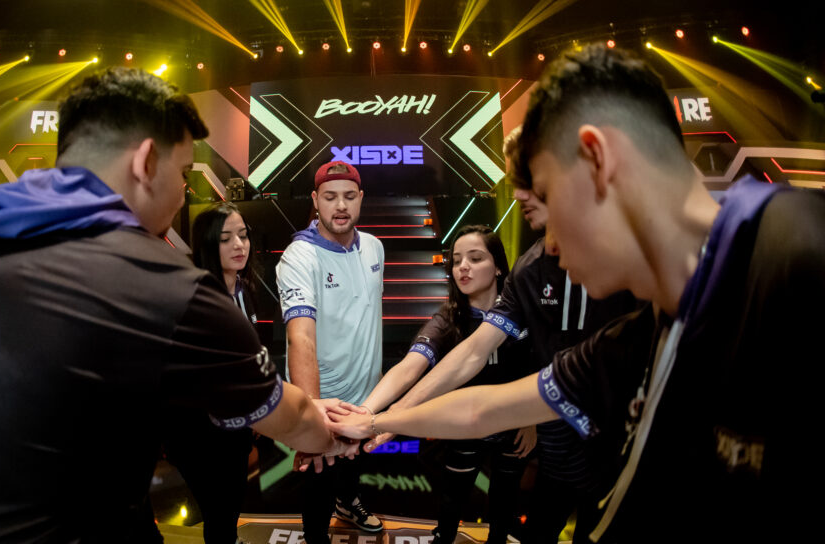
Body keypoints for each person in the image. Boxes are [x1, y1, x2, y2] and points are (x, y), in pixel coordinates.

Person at [328, 43, 825, 542]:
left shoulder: (795, 254)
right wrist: (374, 424)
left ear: (599, 160)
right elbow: (482, 408)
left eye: (548, 196)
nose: (551, 244)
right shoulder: (636, 340)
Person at [0, 67, 350, 543]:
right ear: (146, 161)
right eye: (183, 174)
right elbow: (292, 419)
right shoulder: (162, 286)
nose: (183, 195)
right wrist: (336, 433)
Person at [368, 127, 637, 544]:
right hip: (555, 449)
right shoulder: (527, 275)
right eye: (514, 182)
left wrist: (384, 420)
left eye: (529, 179)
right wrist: (380, 419)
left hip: (624, 446)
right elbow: (471, 357)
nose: (518, 194)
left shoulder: (636, 251)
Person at [361, 224, 537, 544]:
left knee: (504, 503)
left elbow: (539, 366)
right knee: (452, 499)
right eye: (456, 261)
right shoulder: (448, 319)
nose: (463, 267)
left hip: (513, 425)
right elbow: (410, 367)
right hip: (464, 426)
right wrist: (369, 413)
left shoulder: (524, 313)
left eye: (475, 258)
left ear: (498, 267)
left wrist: (532, 420)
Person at [276, 160, 385, 544]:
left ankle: (348, 503)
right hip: (325, 400)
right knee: (318, 479)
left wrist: (371, 399)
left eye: (349, 196)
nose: (340, 205)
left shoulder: (374, 247)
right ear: (315, 200)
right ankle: (316, 536)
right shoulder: (299, 257)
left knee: (353, 465)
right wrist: (312, 415)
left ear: (361, 198)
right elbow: (301, 338)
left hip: (367, 397)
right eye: (330, 197)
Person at [163, 203, 258, 544]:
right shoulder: (196, 298)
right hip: (199, 434)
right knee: (218, 512)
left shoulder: (245, 290)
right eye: (226, 238)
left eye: (243, 235)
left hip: (237, 428)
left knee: (228, 510)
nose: (239, 245)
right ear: (207, 244)